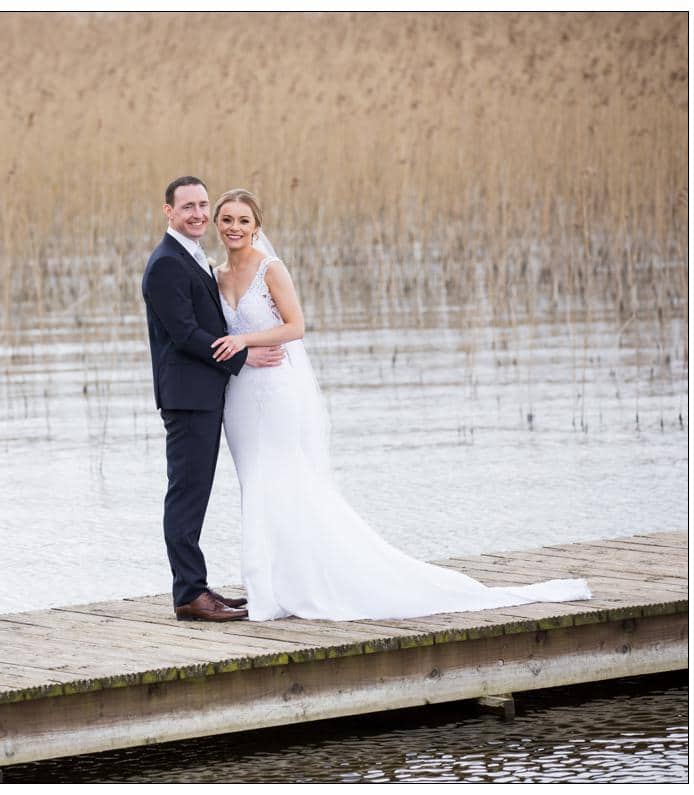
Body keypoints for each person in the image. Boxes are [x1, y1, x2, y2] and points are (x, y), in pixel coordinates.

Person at [209, 188, 592, 621]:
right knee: (255, 485)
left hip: (276, 390)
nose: (234, 227)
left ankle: (306, 582)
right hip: (239, 397)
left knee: (287, 481)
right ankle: (269, 586)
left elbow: (296, 327)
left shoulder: (271, 270)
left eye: (243, 220)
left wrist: (245, 339)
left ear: (256, 225)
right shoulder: (215, 274)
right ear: (217, 225)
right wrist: (241, 352)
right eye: (227, 219)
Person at [141, 177, 285, 622]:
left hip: (203, 393)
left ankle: (198, 586)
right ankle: (188, 593)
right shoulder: (166, 263)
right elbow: (184, 335)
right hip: (187, 398)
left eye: (203, 205)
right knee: (186, 493)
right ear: (168, 211)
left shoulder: (192, 255)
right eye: (188, 207)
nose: (199, 214)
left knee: (196, 491)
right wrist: (243, 354)